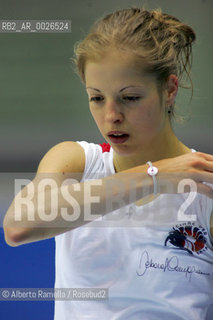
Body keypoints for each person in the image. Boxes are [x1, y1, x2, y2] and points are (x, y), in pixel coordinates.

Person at [3, 6, 213, 320]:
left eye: (130, 98)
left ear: (169, 89)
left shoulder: (205, 184)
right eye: (97, 98)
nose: (111, 115)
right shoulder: (74, 161)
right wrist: (154, 176)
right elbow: (19, 226)